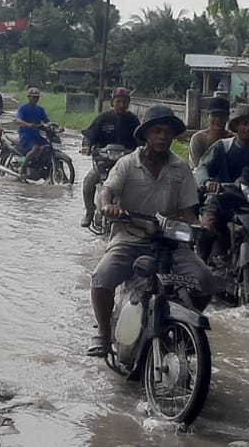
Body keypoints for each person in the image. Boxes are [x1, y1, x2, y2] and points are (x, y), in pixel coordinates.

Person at [87, 105, 214, 357]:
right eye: (157, 131)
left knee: (206, 281)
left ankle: (182, 325)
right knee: (101, 279)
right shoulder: (126, 164)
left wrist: (199, 226)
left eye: (168, 132)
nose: (163, 137)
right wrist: (108, 207)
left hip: (171, 243)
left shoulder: (180, 168)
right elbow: (107, 191)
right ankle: (102, 333)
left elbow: (189, 211)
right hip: (130, 237)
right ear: (145, 134)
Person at [195, 104, 249, 264]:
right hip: (219, 200)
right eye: (244, 123)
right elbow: (203, 166)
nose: (248, 128)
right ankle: (200, 267)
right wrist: (208, 182)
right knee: (207, 229)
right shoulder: (222, 147)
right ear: (236, 126)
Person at [79, 87, 141, 226]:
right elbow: (90, 134)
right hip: (104, 163)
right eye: (119, 101)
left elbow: (141, 139)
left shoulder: (133, 120)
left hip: (127, 164)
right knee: (89, 182)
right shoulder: (103, 118)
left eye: (125, 102)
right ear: (112, 102)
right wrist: (87, 146)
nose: (122, 105)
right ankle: (89, 211)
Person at [186, 96, 231, 170]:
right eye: (214, 115)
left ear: (227, 118)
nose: (218, 119)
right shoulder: (198, 139)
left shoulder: (232, 140)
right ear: (208, 117)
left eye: (221, 116)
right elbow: (195, 167)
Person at [14, 87, 51, 174]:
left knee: (48, 147)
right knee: (35, 148)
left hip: (36, 136)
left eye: (37, 97)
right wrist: (27, 124)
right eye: (33, 97)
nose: (35, 99)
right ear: (28, 97)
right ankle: (23, 167)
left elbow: (47, 121)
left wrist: (53, 126)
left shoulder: (40, 109)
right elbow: (18, 120)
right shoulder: (23, 108)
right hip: (26, 136)